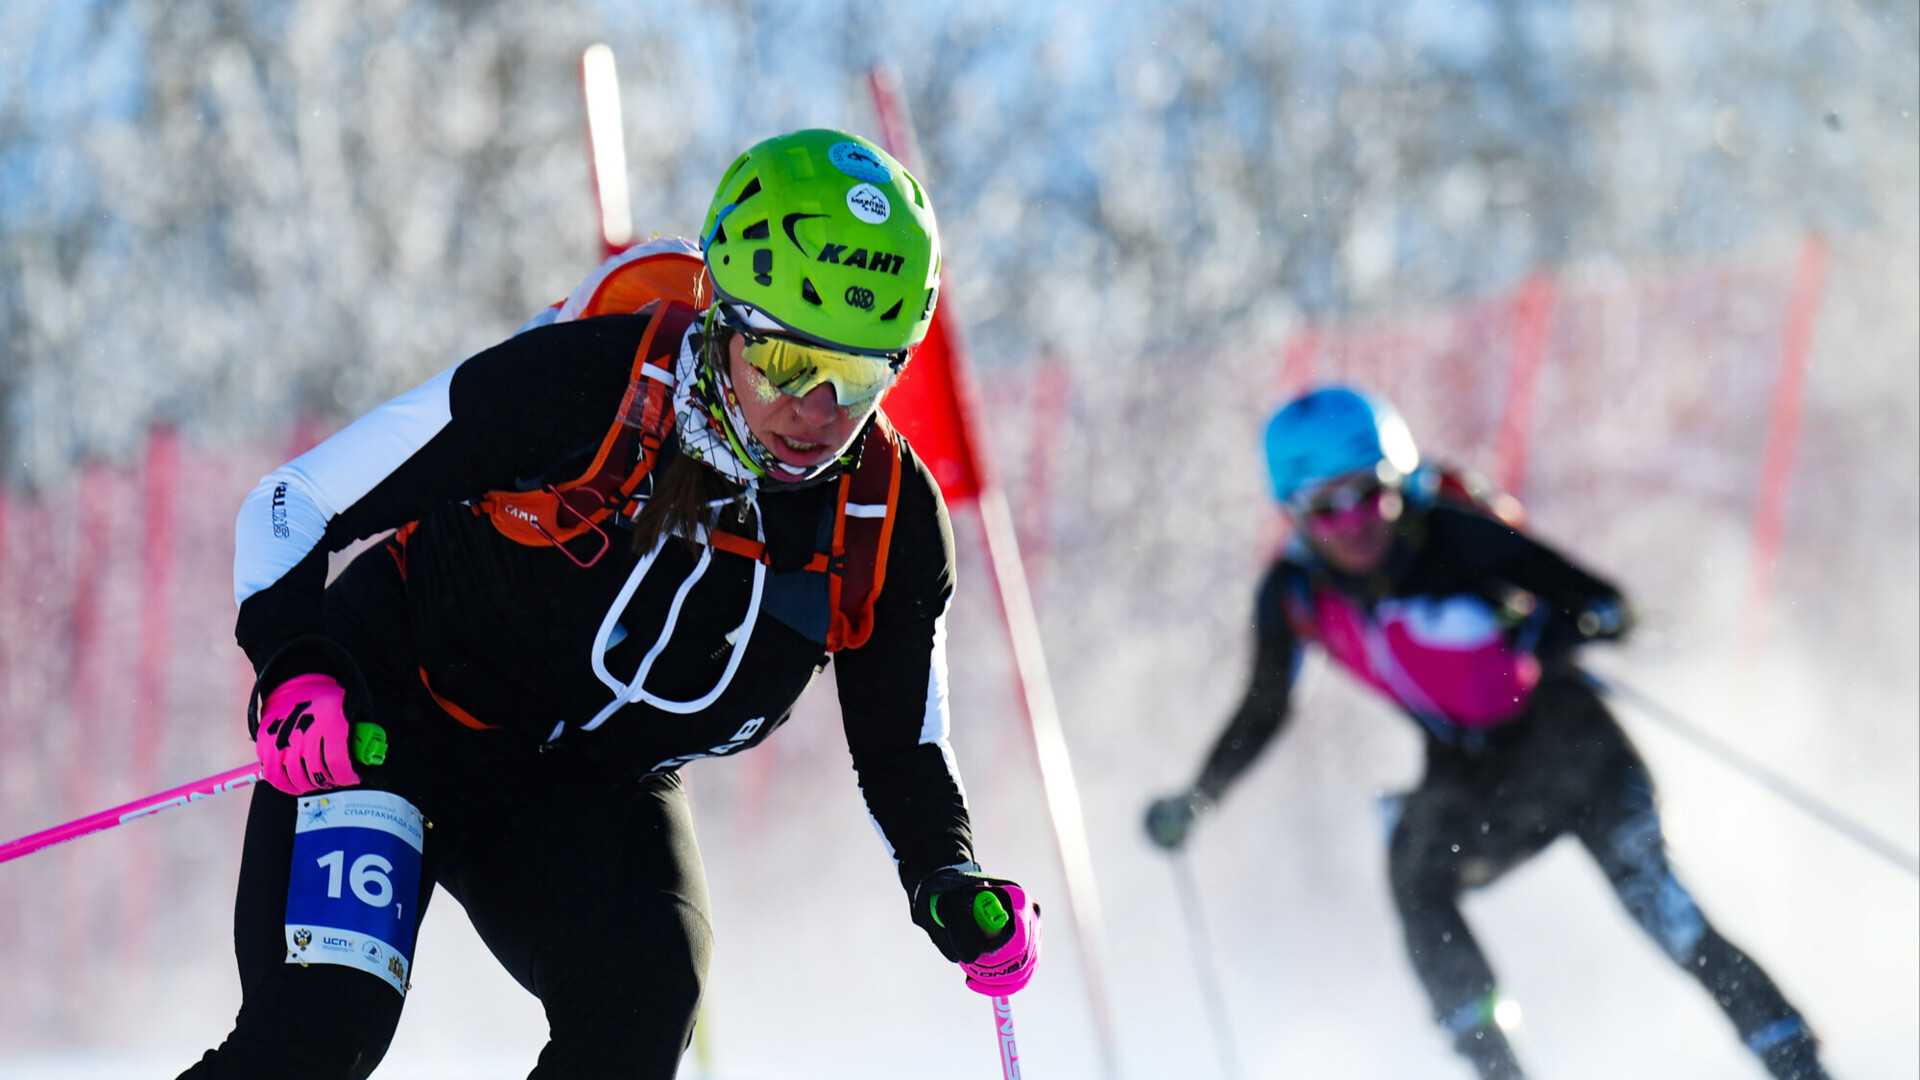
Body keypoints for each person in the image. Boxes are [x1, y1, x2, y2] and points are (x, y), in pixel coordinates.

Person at [183, 128, 1039, 1079]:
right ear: (726, 317)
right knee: (316, 1038)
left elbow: (903, 748)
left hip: (584, 792)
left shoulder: (888, 517)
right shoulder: (583, 386)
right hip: (389, 723)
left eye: (861, 378)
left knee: (644, 997)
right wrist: (299, 668)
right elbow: (294, 503)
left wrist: (949, 876)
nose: (818, 415)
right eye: (791, 365)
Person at [1142, 386, 1828, 1080]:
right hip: (1472, 774)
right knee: (1416, 876)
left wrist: (1568, 626)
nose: (1352, 524)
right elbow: (1264, 707)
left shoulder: (1455, 537)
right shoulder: (1293, 594)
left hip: (1573, 750)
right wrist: (1200, 797)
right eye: (1324, 508)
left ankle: (1797, 1061)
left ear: (1400, 482)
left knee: (1668, 916)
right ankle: (1498, 1067)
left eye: (1366, 494)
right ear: (1294, 516)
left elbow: (1606, 603)